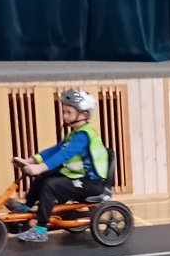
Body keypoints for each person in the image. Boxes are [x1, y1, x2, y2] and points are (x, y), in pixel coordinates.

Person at [10, 88, 110, 242]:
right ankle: (26, 208)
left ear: (84, 114)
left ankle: (40, 230)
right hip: (78, 176)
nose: (64, 116)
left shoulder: (84, 136)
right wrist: (31, 160)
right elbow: (55, 150)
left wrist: (39, 167)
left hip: (91, 183)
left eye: (69, 112)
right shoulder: (74, 134)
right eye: (64, 112)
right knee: (44, 176)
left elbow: (64, 155)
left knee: (51, 185)